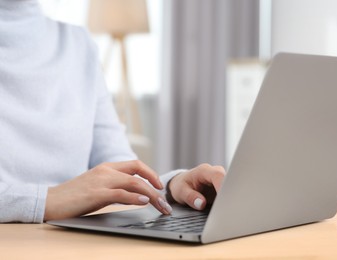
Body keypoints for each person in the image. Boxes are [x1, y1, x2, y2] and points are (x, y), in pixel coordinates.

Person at [0, 0, 225, 223]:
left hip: (75, 243)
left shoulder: (78, 45)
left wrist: (171, 187)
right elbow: (60, 198)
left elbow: (119, 165)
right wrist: (47, 200)